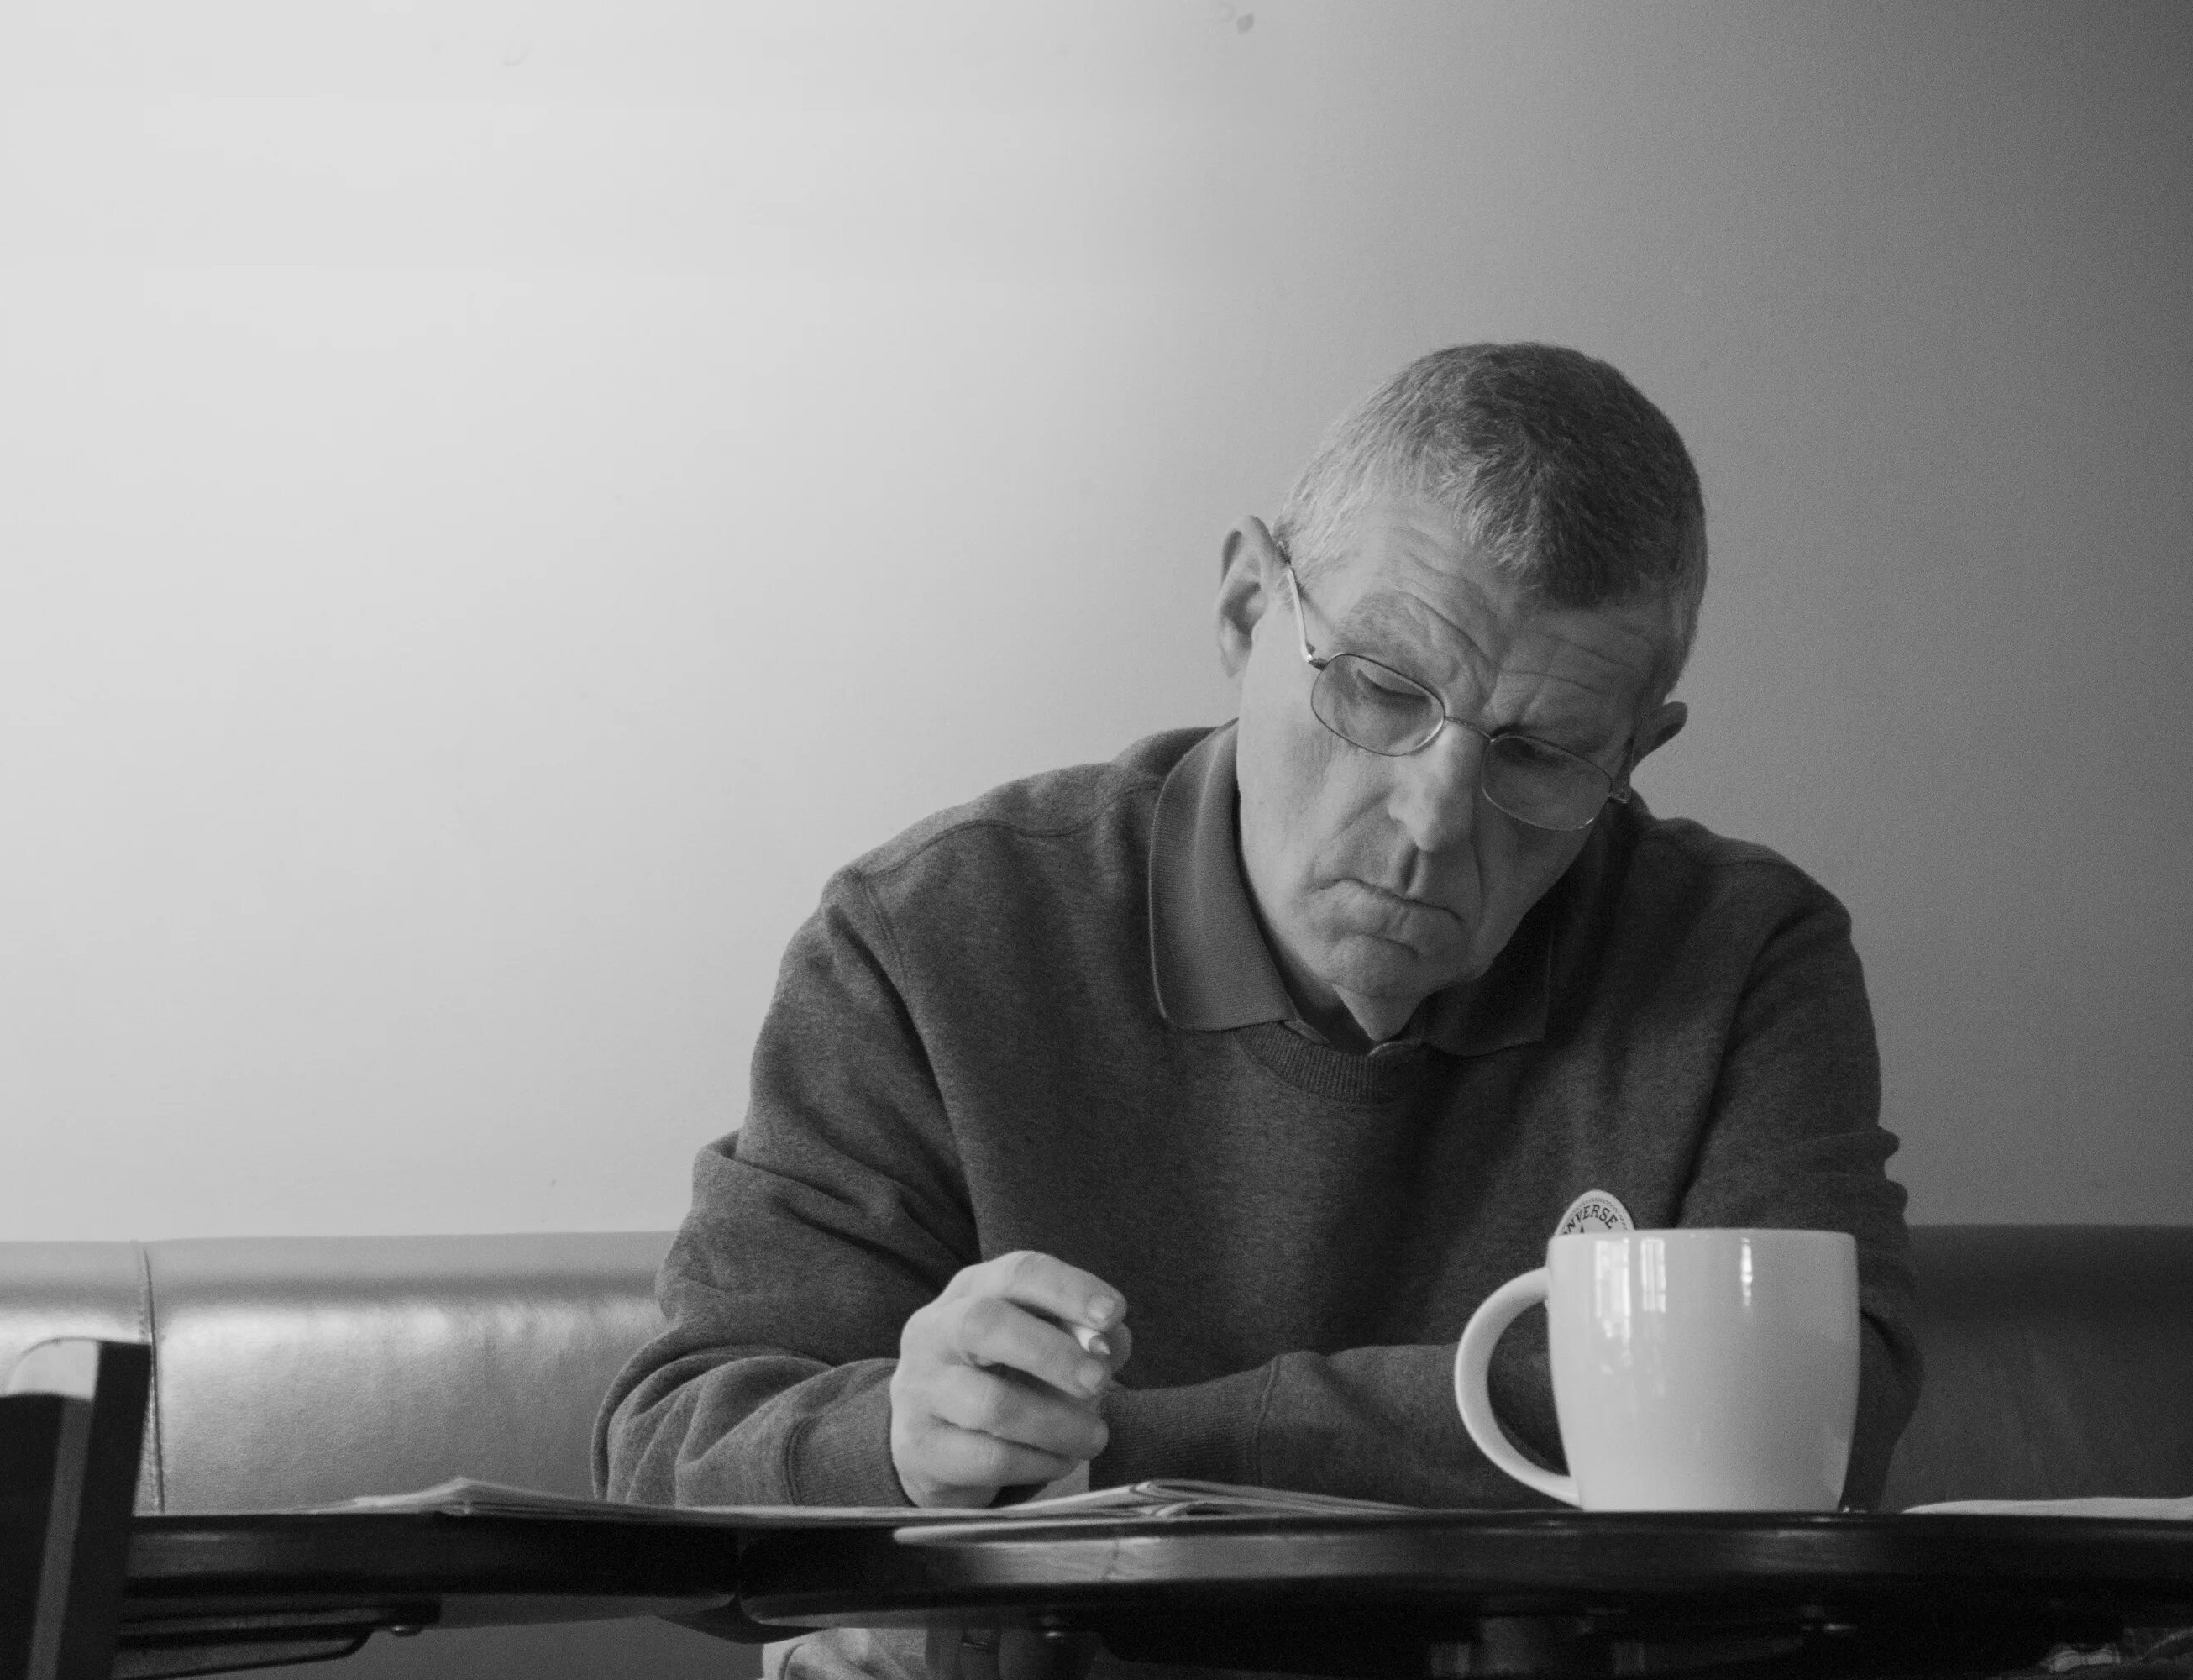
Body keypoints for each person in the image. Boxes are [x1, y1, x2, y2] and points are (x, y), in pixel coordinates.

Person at [593, 343, 1921, 1677]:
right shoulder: (933, 935)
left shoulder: (1744, 958)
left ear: (1634, 753)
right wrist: (898, 1439)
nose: (1429, 824)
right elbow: (674, 1457)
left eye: (1536, 755)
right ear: (1245, 611)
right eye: (1382, 690)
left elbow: (1807, 1422)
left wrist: (1111, 1459)